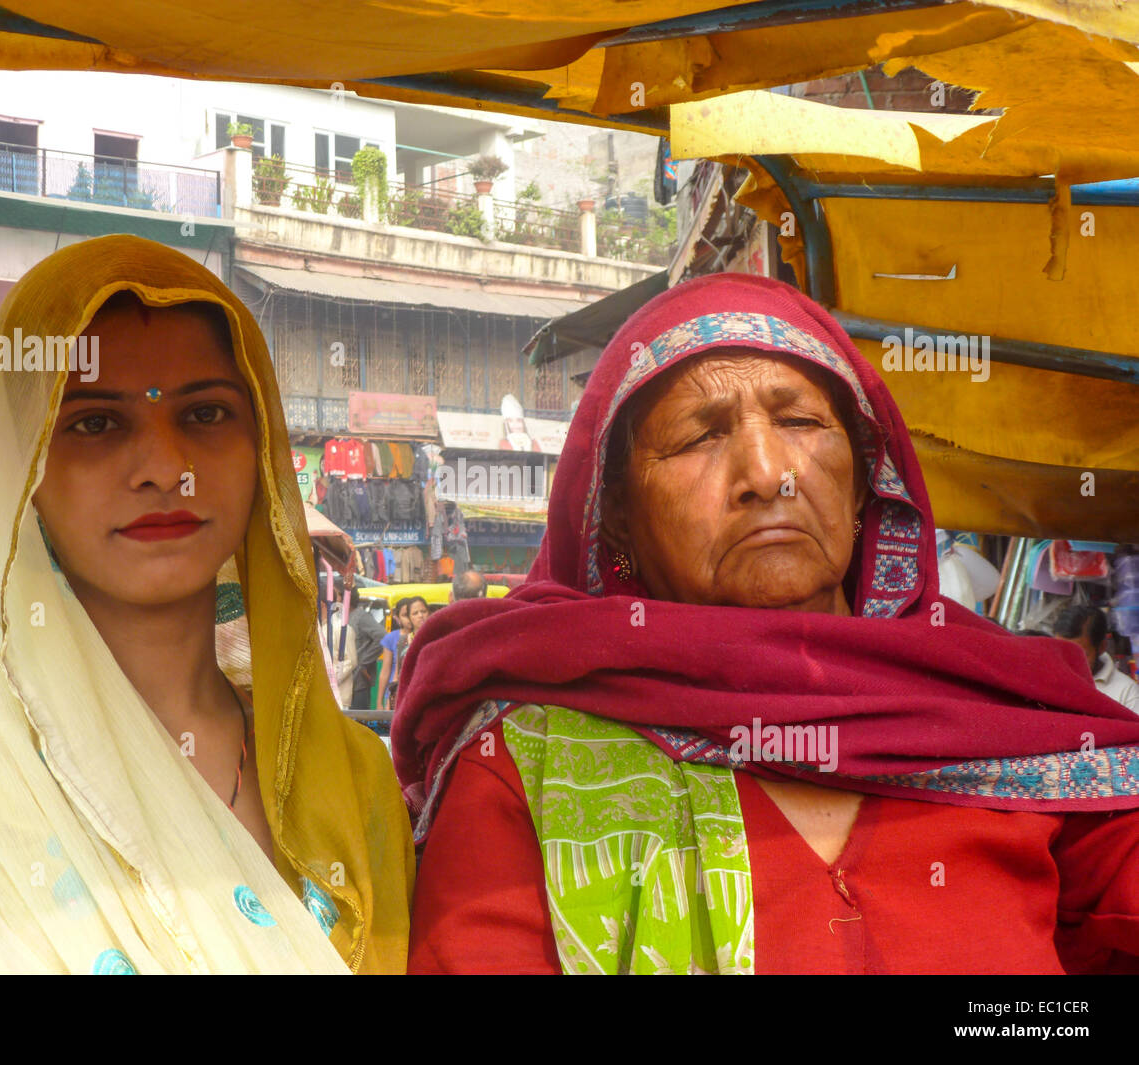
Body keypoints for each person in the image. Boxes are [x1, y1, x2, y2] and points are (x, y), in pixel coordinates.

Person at [392, 273, 1139, 975]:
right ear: (614, 515)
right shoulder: (524, 763)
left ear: (863, 479)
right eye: (700, 436)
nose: (768, 472)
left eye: (802, 420)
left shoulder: (1010, 721)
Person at [0, 234, 413, 975]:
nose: (166, 469)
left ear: (260, 444)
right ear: (25, 461)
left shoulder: (352, 776)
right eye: (95, 422)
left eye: (205, 414)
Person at [1053, 605, 1139, 713]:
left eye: (1079, 655)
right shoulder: (1048, 680)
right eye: (1062, 653)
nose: (1069, 662)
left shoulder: (1127, 694)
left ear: (1102, 646)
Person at [377, 597, 413, 712]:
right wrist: (379, 702)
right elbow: (385, 671)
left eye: (410, 614)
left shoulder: (422, 636)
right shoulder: (391, 638)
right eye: (404, 615)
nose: (408, 619)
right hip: (395, 693)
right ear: (397, 618)